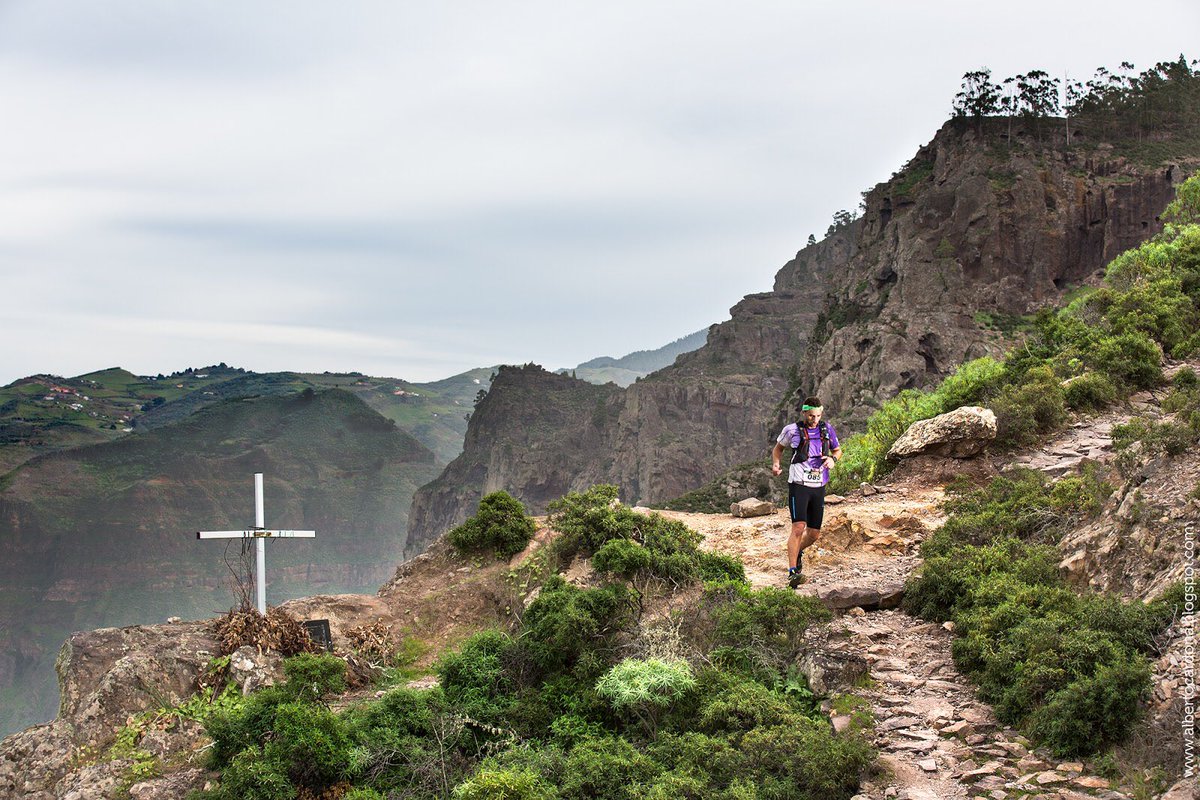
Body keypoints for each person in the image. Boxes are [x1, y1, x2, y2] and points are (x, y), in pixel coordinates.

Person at [771, 396, 842, 588]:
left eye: (818, 416)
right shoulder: (791, 430)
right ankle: (793, 572)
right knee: (798, 528)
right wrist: (776, 464)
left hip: (818, 485)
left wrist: (833, 460)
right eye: (811, 416)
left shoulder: (827, 430)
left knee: (813, 534)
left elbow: (837, 450)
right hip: (798, 484)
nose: (815, 419)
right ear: (804, 413)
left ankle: (798, 551)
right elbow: (778, 450)